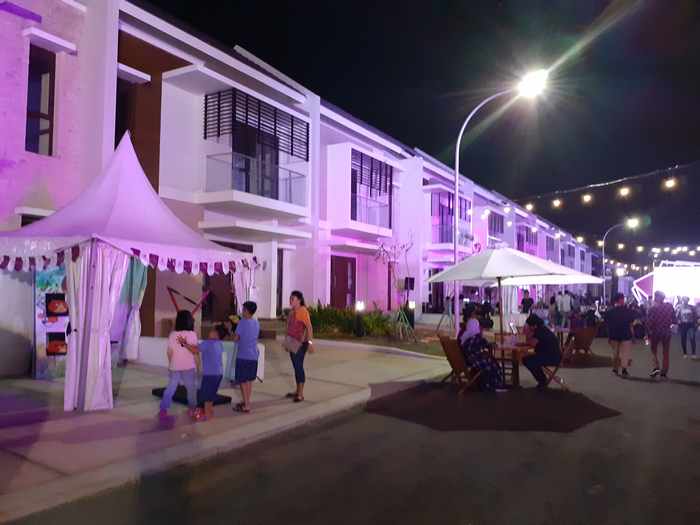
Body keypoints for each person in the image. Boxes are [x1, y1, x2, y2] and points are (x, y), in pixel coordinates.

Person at [159, 310, 199, 420]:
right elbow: (195, 351)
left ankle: (163, 410)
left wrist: (170, 365)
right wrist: (198, 367)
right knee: (191, 389)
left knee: (171, 388)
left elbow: (169, 352)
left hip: (175, 366)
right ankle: (192, 409)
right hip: (188, 367)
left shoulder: (172, 335)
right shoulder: (192, 334)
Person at [285, 290, 314, 402]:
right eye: (290, 298)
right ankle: (297, 391)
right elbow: (289, 327)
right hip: (292, 342)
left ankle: (300, 394)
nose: (290, 300)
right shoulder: (292, 312)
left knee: (298, 367)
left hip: (300, 343)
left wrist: (310, 343)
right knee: (296, 366)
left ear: (299, 300)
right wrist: (287, 342)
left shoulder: (302, 311)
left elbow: (309, 327)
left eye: (293, 299)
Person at [460, 318, 503, 391]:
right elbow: (485, 344)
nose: (480, 328)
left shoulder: (465, 336)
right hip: (474, 361)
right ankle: (494, 385)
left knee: (490, 360)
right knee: (493, 364)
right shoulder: (476, 337)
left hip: (467, 360)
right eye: (478, 326)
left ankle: (488, 384)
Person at [232, 301, 260, 413]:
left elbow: (236, 338)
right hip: (253, 356)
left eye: (243, 310)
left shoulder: (242, 322)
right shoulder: (256, 322)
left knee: (243, 381)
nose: (242, 312)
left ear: (247, 311)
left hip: (243, 355)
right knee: (249, 381)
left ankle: (246, 405)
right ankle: (247, 401)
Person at [522, 314, 562, 390]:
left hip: (552, 357)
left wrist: (527, 333)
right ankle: (542, 380)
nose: (528, 327)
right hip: (552, 355)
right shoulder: (542, 329)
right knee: (528, 359)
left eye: (529, 326)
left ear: (534, 325)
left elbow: (532, 343)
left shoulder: (539, 331)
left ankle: (542, 381)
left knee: (528, 361)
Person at [197, 323, 227, 421]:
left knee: (206, 396)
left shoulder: (208, 343)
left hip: (210, 375)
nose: (210, 332)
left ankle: (207, 415)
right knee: (211, 395)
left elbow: (195, 349)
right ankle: (210, 411)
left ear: (216, 334)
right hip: (219, 374)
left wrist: (184, 344)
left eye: (212, 330)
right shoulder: (219, 344)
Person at [604, 293, 637, 378]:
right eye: (623, 298)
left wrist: (608, 336)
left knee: (615, 352)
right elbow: (631, 325)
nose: (624, 300)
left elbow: (607, 326)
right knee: (625, 353)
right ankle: (624, 369)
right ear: (620, 300)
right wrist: (633, 336)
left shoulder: (609, 312)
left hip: (613, 334)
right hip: (626, 334)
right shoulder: (628, 311)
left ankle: (615, 368)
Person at [647, 291, 676, 378]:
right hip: (666, 332)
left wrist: (647, 332)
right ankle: (664, 371)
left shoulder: (653, 309)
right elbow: (674, 320)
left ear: (656, 298)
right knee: (666, 352)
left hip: (655, 332)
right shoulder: (669, 306)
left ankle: (656, 367)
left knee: (653, 350)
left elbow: (650, 322)